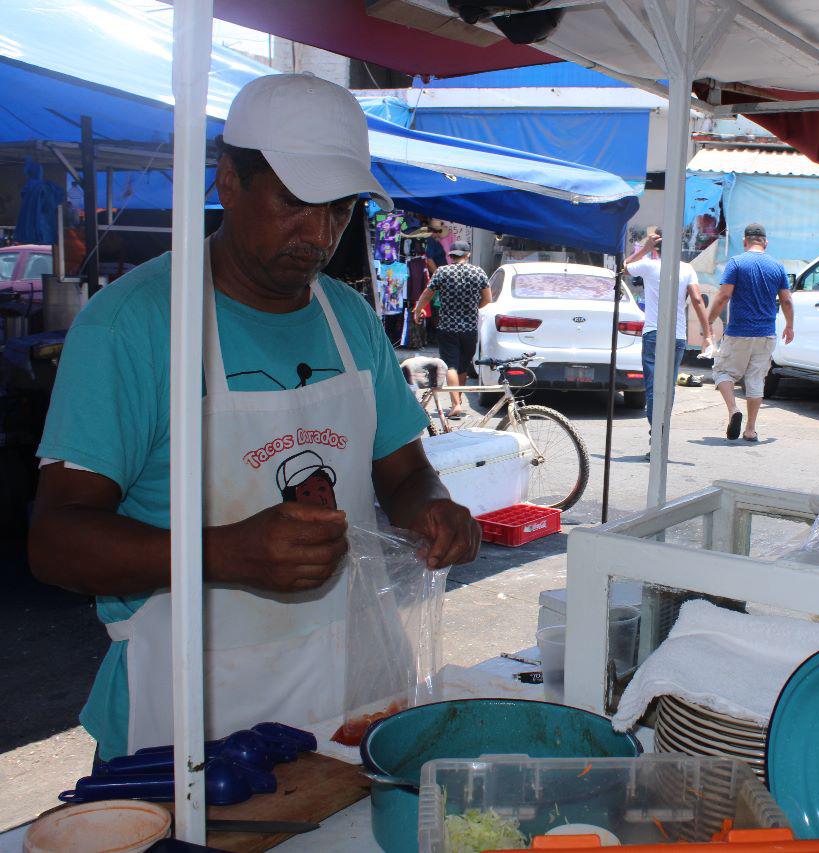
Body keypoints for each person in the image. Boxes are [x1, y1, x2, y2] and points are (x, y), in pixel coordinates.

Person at [28, 72, 481, 761]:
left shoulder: (349, 319)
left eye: (340, 208)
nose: (321, 231)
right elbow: (56, 539)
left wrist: (435, 507)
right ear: (228, 180)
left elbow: (405, 471)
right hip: (195, 719)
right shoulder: (134, 324)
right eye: (297, 201)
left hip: (354, 697)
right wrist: (227, 552)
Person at [706, 223, 794, 441]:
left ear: (745, 241)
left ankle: (733, 410)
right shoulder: (777, 266)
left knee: (722, 372)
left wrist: (708, 320)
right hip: (766, 333)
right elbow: (786, 300)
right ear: (765, 242)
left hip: (739, 331)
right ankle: (751, 429)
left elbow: (724, 295)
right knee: (755, 379)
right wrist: (790, 325)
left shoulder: (736, 262)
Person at [624, 228, 711, 428]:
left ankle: (656, 435)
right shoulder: (687, 269)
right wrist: (707, 333)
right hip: (677, 336)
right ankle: (662, 431)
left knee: (654, 388)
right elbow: (697, 300)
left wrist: (644, 248)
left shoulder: (648, 265)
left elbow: (624, 267)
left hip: (654, 333)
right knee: (668, 387)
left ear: (657, 247)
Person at [413, 241, 491, 419]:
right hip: (470, 328)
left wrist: (418, 309)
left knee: (451, 365)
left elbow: (428, 293)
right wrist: (474, 307)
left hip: (447, 327)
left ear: (452, 255)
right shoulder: (478, 272)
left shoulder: (442, 271)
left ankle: (455, 404)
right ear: (467, 255)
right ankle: (459, 402)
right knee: (462, 366)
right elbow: (487, 298)